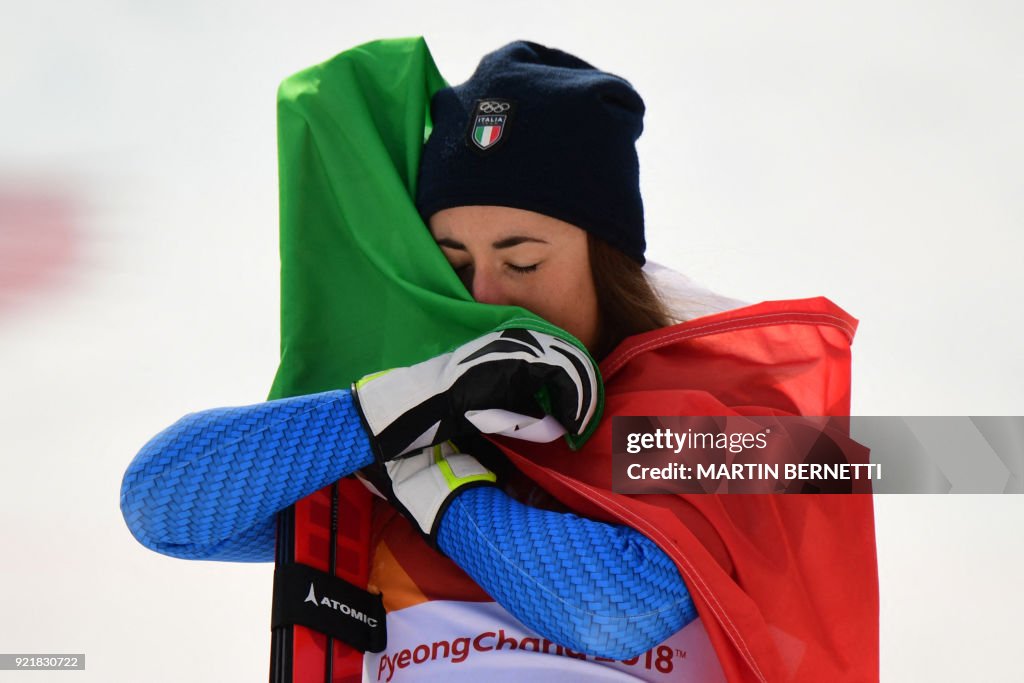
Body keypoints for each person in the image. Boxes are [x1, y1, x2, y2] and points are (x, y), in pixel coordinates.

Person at [121, 41, 878, 682]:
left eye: (521, 261)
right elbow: (164, 509)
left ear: (606, 260)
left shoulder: (717, 411)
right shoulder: (412, 407)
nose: (484, 295)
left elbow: (613, 606)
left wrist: (431, 479)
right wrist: (410, 404)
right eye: (454, 262)